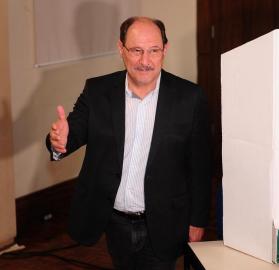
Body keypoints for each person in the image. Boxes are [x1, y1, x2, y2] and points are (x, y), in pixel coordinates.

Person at [46, 16, 211, 270]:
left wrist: (198, 221)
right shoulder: (97, 91)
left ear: (165, 50)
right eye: (136, 51)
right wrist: (58, 141)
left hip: (165, 221)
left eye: (154, 51)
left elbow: (200, 166)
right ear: (120, 49)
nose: (145, 61)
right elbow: (71, 133)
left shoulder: (190, 98)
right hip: (115, 223)